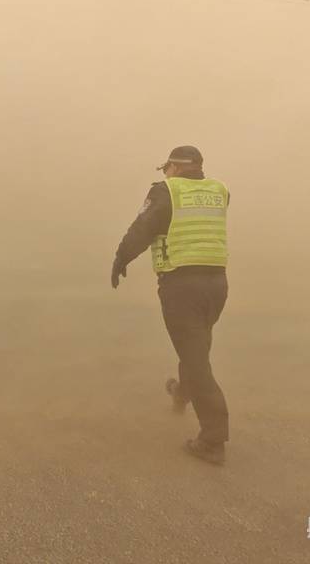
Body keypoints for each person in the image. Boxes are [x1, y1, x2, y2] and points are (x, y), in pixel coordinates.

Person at [111, 146, 230, 465]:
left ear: (176, 168)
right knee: (197, 345)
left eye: (166, 168)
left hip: (182, 284)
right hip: (217, 283)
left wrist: (121, 257)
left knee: (195, 357)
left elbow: (143, 229)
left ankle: (213, 439)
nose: (164, 173)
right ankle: (182, 392)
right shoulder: (219, 191)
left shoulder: (166, 192)